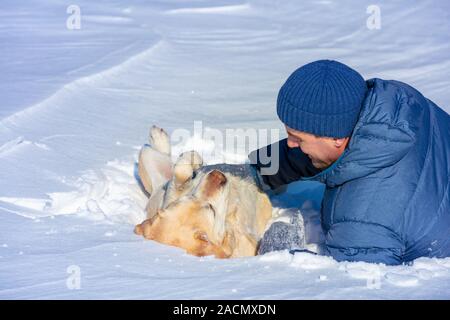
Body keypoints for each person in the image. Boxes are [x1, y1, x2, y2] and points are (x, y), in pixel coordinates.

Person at [249, 60, 450, 265]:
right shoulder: (397, 106)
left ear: (336, 138)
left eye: (298, 138)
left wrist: (277, 256)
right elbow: (325, 152)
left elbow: (354, 281)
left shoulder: (363, 217)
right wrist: (258, 168)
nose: (291, 144)